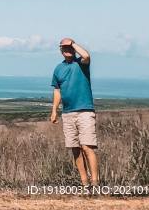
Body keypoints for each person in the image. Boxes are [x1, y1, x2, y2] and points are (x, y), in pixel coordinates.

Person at [50, 37, 98, 186]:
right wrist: (54, 110)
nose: (67, 49)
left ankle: (95, 183)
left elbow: (86, 56)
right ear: (60, 50)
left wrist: (73, 43)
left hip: (84, 111)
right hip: (68, 113)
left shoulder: (81, 64)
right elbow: (57, 90)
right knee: (75, 149)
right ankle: (85, 184)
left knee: (87, 147)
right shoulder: (58, 69)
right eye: (64, 48)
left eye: (69, 47)